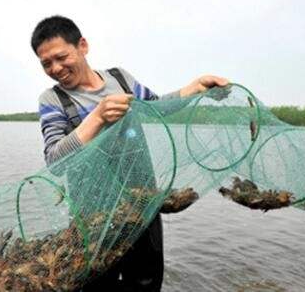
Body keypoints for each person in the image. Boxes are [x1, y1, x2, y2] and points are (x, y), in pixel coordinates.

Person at [32, 15, 228, 291]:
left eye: (61, 57)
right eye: (46, 64)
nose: (56, 68)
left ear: (82, 46)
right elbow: (55, 161)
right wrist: (97, 118)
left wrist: (196, 88)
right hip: (93, 219)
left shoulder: (120, 79)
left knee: (146, 283)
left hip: (143, 207)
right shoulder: (53, 100)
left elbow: (157, 108)